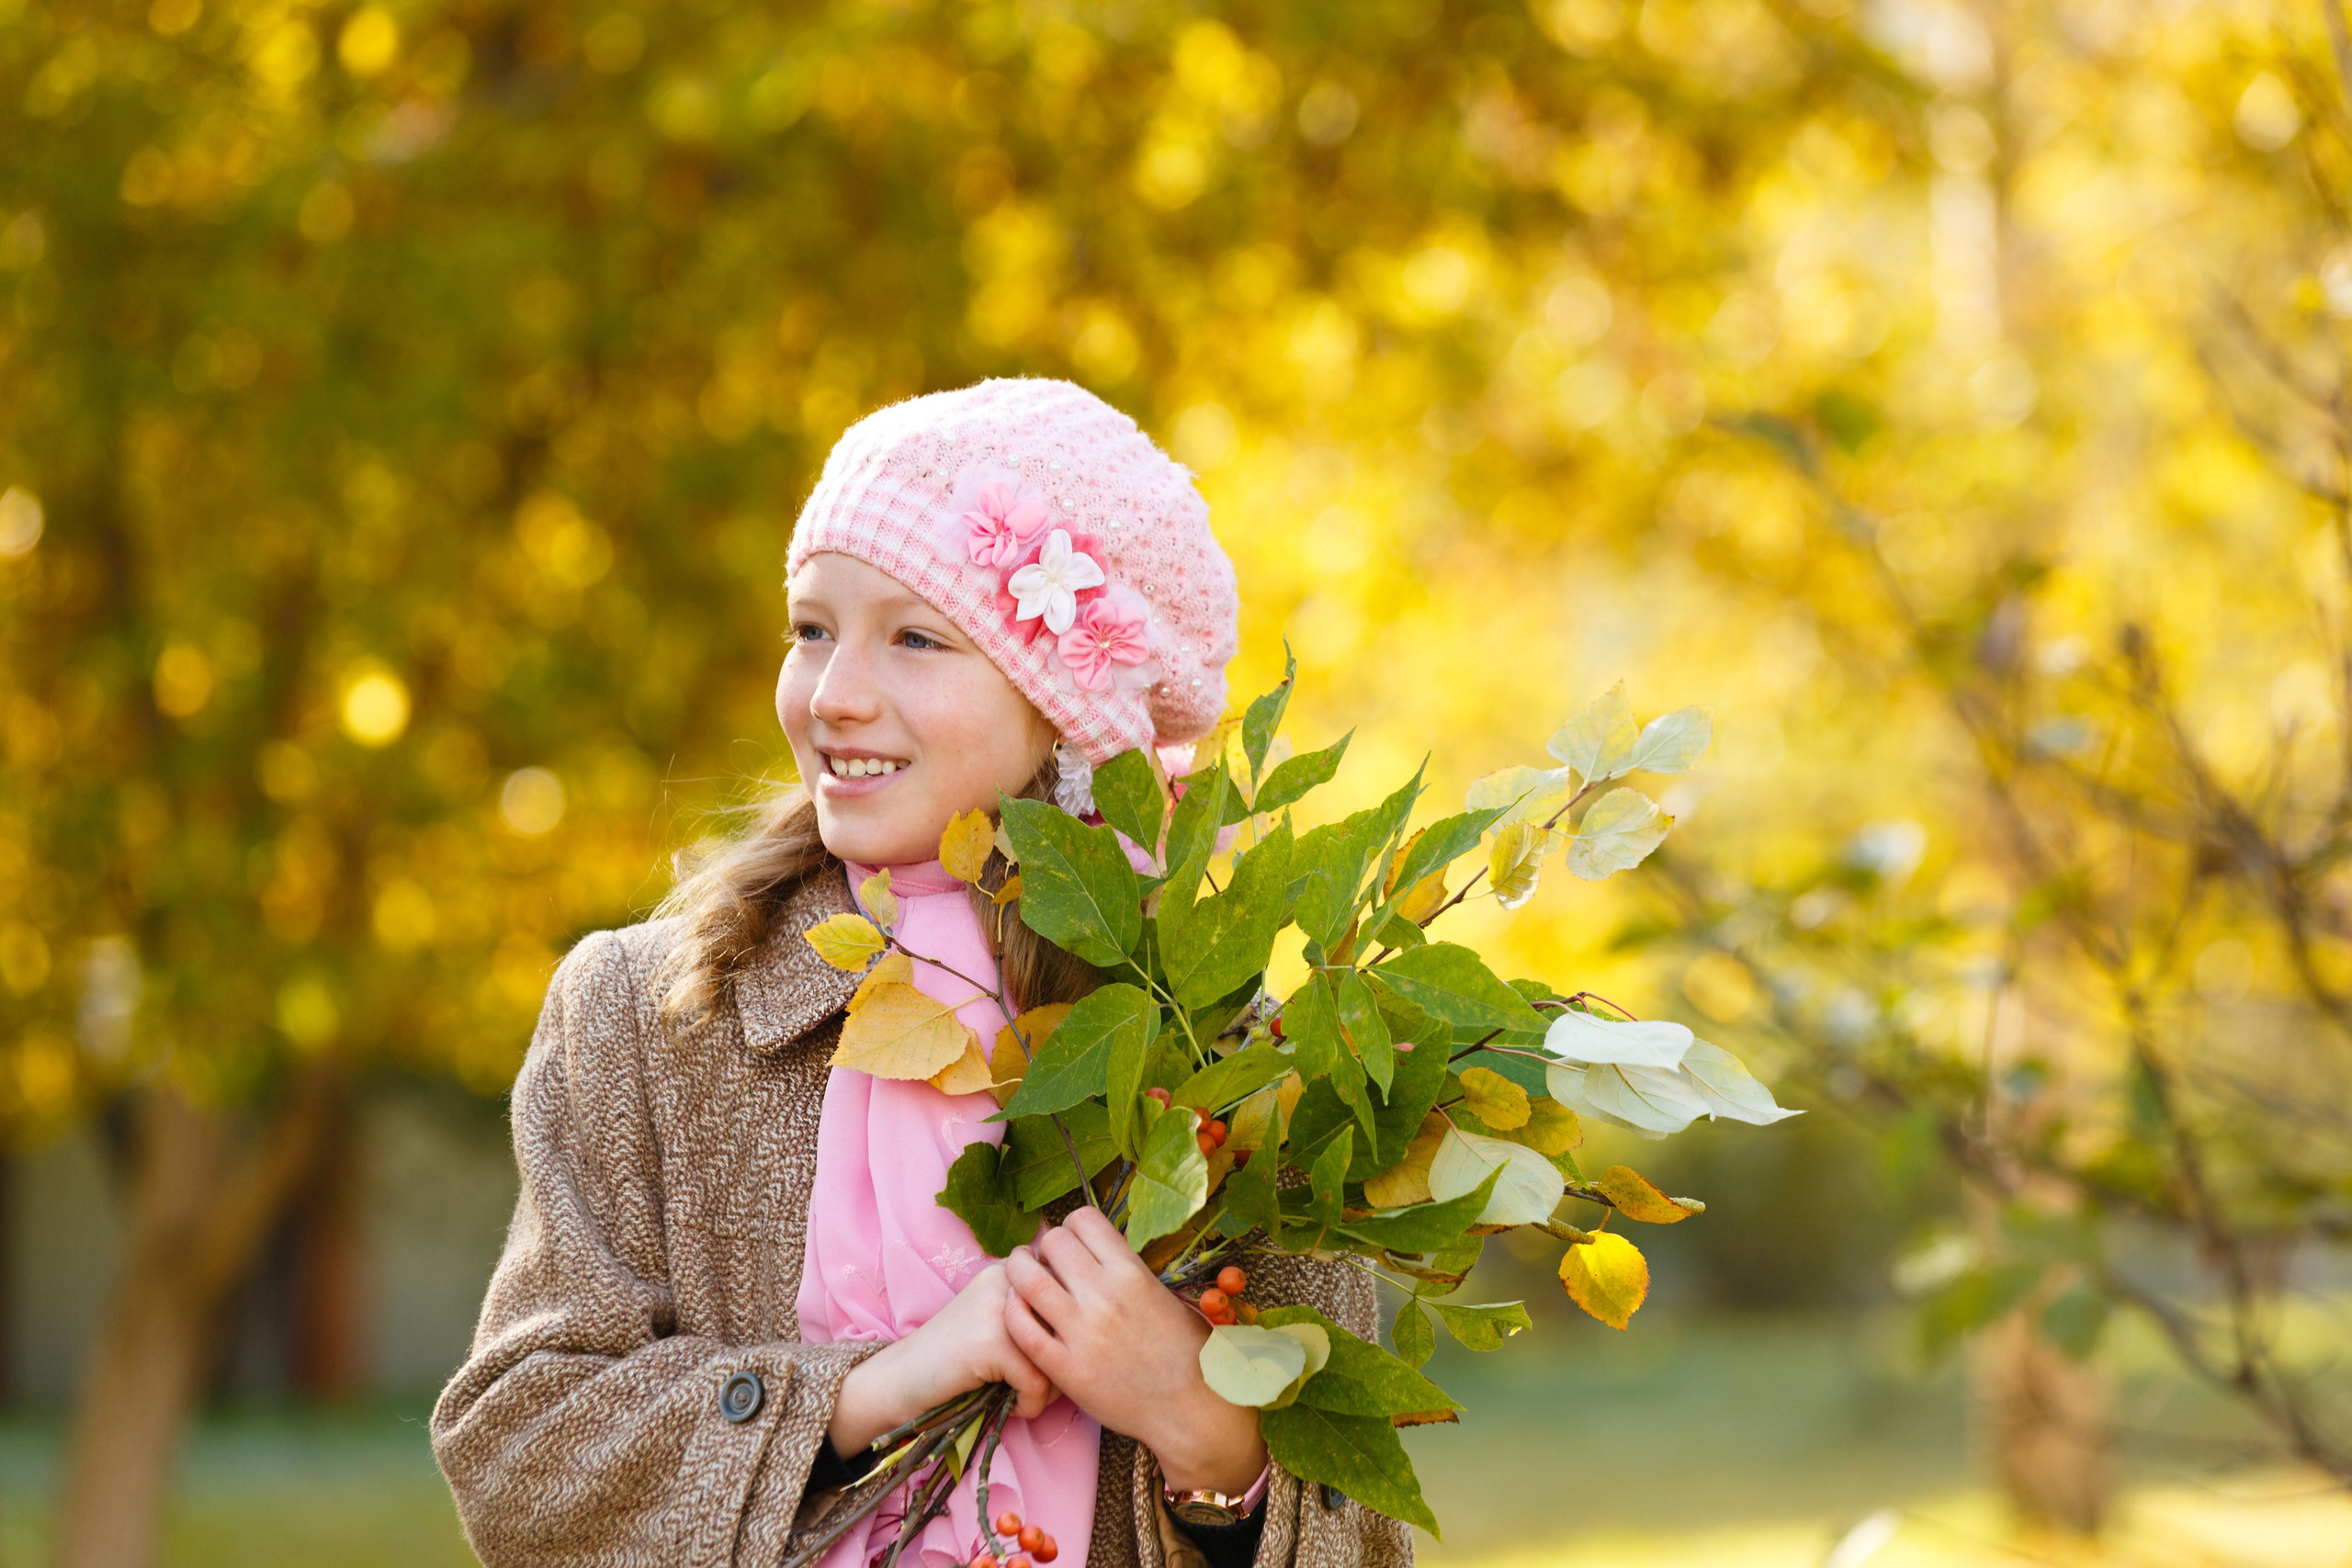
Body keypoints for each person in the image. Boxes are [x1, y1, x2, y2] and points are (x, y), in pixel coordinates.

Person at [431, 379, 1408, 1568]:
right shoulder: (651, 1017)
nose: (834, 693)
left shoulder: (1226, 1061)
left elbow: (1364, 1537)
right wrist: (878, 1387)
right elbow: (518, 1454)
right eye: (810, 629)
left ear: (1063, 710)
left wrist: (1204, 1428)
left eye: (915, 637)